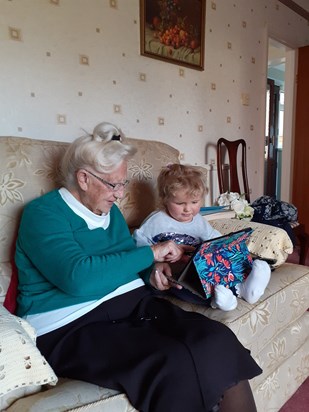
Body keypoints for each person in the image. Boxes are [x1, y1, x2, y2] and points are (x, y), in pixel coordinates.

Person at [15, 122, 262, 412]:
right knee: (174, 362)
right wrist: (151, 253)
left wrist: (153, 272)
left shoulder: (111, 213)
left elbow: (126, 260)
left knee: (215, 338)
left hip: (133, 304)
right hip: (71, 324)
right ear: (83, 178)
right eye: (113, 184)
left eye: (123, 184)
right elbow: (78, 277)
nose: (120, 194)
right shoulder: (43, 214)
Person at [133, 163, 271, 311]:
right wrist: (154, 260)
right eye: (180, 203)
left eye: (194, 202)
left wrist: (229, 247)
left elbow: (214, 238)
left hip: (202, 269)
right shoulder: (156, 221)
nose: (188, 209)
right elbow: (137, 245)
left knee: (224, 264)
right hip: (176, 274)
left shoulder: (198, 220)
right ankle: (219, 302)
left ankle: (244, 289)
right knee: (183, 288)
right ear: (165, 199)